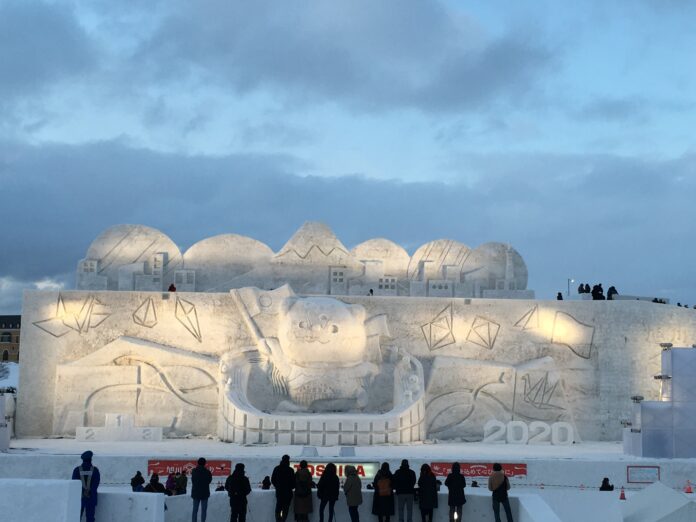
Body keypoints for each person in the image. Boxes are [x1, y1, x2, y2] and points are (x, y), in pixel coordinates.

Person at [72, 450, 100, 522]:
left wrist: (83, 491)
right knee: (90, 518)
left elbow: (74, 484)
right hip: (91, 497)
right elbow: (95, 484)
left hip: (79, 498)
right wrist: (89, 492)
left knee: (76, 517)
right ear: (91, 459)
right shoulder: (95, 470)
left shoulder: (76, 470)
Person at [272, 454, 296, 522]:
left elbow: (273, 480)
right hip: (288, 493)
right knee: (285, 509)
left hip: (279, 492)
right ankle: (283, 520)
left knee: (278, 509)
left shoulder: (277, 468)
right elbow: (293, 483)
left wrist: (277, 486)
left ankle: (278, 520)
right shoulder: (290, 470)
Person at [191, 457, 213, 522]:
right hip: (205, 493)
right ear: (205, 463)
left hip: (195, 493)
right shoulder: (208, 472)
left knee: (195, 510)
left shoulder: (194, 471)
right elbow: (209, 481)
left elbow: (193, 481)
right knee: (204, 510)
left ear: (198, 463)